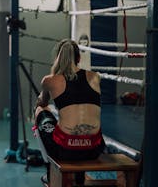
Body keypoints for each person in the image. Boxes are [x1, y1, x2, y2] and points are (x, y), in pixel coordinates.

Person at [34, 39, 105, 175]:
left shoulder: (49, 80)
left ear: (58, 59)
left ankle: (48, 168)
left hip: (66, 150)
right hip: (94, 149)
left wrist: (43, 98)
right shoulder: (95, 76)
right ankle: (77, 175)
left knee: (40, 111)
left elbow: (42, 103)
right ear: (78, 58)